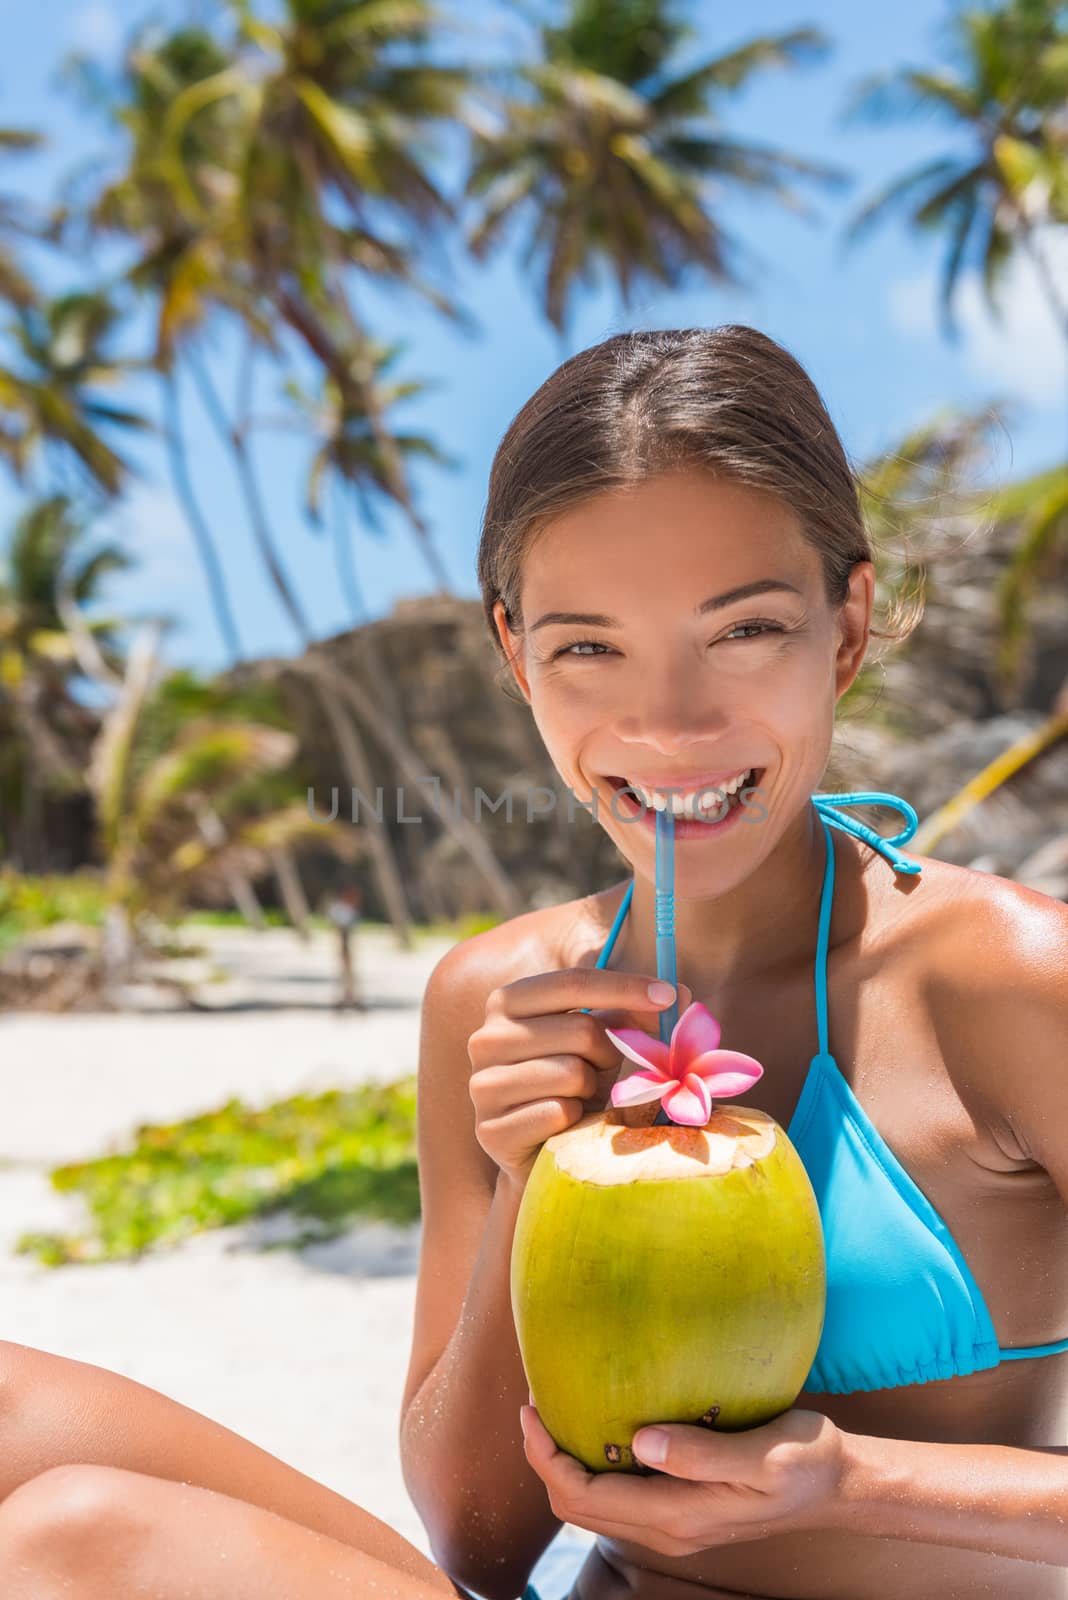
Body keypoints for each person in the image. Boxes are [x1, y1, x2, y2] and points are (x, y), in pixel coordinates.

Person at [0, 324, 1066, 1600]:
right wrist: (528, 1177)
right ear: (515, 654)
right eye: (588, 646)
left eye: (744, 630)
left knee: (83, 1536)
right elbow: (484, 1543)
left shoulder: (1002, 981)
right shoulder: (494, 997)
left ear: (845, 627)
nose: (669, 724)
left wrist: (859, 1482)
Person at [325, 883, 366, 1011]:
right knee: (345, 975)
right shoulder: (342, 910)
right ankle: (346, 999)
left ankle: (349, 998)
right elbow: (341, 927)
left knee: (349, 975)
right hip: (344, 946)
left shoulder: (346, 909)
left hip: (347, 946)